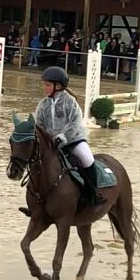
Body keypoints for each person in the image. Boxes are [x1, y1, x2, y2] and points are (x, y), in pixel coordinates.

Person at [18, 66, 105, 217]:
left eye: (47, 85)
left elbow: (74, 123)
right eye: (44, 84)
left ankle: (93, 195)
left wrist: (63, 137)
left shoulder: (70, 102)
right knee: (37, 164)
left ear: (57, 86)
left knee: (88, 159)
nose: (44, 88)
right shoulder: (43, 105)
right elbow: (40, 125)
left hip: (74, 140)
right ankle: (35, 204)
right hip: (52, 144)